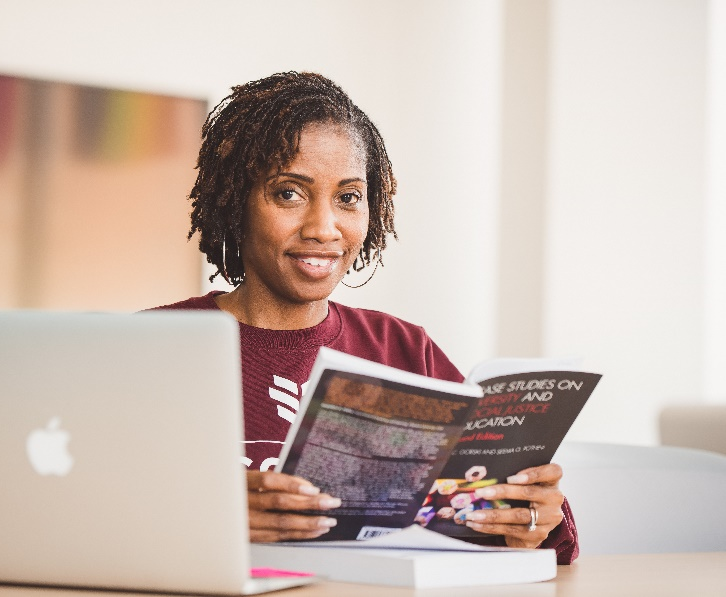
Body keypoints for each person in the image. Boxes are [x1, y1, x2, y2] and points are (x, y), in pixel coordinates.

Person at [156, 72, 578, 564]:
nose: (323, 228)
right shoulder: (154, 346)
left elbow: (505, 526)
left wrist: (532, 521)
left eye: (348, 197)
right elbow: (77, 516)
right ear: (235, 202)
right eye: (288, 193)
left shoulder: (403, 350)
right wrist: (205, 517)